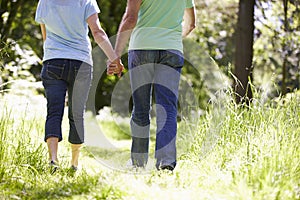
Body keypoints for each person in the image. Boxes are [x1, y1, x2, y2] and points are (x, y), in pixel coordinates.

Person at [35, 0, 123, 173]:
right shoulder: (86, 1)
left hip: (53, 61)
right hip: (80, 62)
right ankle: (74, 164)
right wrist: (114, 58)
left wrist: (53, 53)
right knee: (77, 113)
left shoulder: (44, 2)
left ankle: (53, 160)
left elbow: (45, 36)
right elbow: (97, 32)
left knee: (54, 111)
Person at [111, 0, 196, 171]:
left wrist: (115, 55)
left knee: (141, 107)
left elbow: (130, 18)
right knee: (168, 107)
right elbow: (191, 24)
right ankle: (166, 162)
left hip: (142, 47)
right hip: (171, 50)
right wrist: (172, 38)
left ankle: (138, 162)